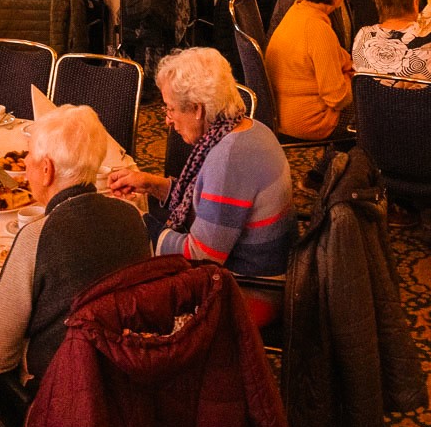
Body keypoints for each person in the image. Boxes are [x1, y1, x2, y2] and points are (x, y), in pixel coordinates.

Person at [107, 48, 292, 324]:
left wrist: (137, 223)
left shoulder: (229, 158)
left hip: (249, 292)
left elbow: (200, 257)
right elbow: (206, 203)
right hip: (258, 273)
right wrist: (149, 183)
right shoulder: (248, 129)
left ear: (197, 109)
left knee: (121, 294)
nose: (167, 120)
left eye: (170, 109)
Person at [0, 105, 151, 382]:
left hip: (63, 390)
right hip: (129, 377)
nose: (26, 164)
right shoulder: (134, 216)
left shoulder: (36, 236)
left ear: (47, 170)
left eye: (29, 157)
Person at [265, 0, 354, 140]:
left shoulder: (298, 11)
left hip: (283, 115)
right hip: (311, 122)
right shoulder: (318, 29)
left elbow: (338, 56)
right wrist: (352, 79)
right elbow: (336, 98)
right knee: (377, 106)